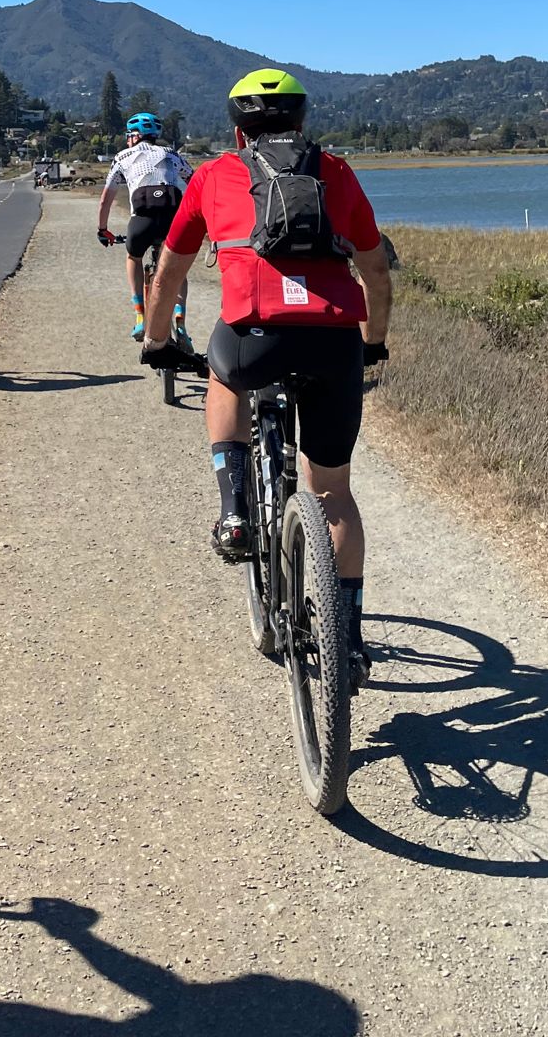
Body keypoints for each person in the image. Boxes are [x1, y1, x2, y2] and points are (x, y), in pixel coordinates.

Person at [139, 70, 391, 687]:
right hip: (334, 343)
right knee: (333, 494)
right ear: (302, 123)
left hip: (255, 342)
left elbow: (169, 272)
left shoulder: (211, 176)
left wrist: (156, 340)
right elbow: (377, 275)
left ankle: (233, 511)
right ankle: (349, 636)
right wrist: (374, 342)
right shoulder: (336, 172)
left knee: (224, 375)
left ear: (237, 128)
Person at [95, 111, 195, 344]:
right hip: (172, 220)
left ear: (136, 135)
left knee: (134, 257)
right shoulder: (171, 154)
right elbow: (195, 182)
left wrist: (103, 230)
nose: (127, 139)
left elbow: (105, 200)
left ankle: (140, 315)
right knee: (177, 268)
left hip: (142, 221)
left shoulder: (122, 157)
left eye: (129, 135)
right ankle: (180, 324)